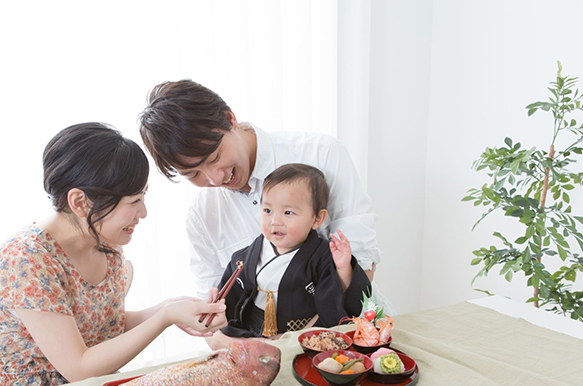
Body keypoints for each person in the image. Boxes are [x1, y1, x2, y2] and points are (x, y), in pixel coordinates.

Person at [0, 123, 227, 386]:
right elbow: (79, 367)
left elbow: (102, 326)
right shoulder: (27, 260)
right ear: (80, 202)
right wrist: (165, 318)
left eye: (143, 197)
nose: (143, 212)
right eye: (133, 201)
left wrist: (172, 308)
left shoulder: (105, 244)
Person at [138, 79, 393, 344]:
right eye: (193, 174)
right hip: (252, 357)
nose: (214, 178)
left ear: (230, 119)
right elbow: (214, 324)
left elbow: (361, 264)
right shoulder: (203, 216)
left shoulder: (321, 154)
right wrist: (258, 352)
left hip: (342, 339)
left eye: (214, 157)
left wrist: (299, 343)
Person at [216, 164, 371, 342]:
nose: (275, 221)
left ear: (317, 219)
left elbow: (336, 301)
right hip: (252, 333)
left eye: (288, 212)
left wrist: (343, 268)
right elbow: (230, 301)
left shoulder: (322, 257)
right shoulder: (244, 257)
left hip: (299, 336)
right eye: (268, 210)